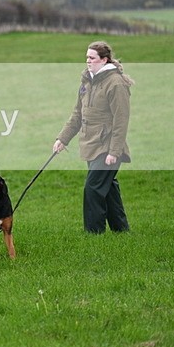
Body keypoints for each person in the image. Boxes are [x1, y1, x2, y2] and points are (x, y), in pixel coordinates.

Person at [53, 41, 133, 233]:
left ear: (104, 60)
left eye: (92, 58)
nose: (87, 61)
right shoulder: (87, 81)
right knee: (108, 188)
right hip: (91, 144)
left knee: (93, 188)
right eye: (86, 57)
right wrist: (62, 139)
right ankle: (121, 230)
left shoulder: (115, 83)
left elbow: (121, 121)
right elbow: (77, 114)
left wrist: (114, 152)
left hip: (108, 146)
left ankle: (94, 233)